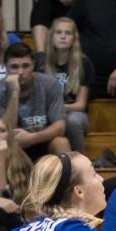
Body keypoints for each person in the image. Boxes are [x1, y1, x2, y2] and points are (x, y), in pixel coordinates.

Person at [0, 43, 70, 161]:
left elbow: (60, 127)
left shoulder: (49, 84)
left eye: (26, 66)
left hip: (42, 140)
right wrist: (14, 94)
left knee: (61, 142)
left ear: (33, 65)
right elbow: (2, 131)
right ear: (6, 67)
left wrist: (32, 138)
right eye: (14, 67)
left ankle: (71, 178)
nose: (20, 72)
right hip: (12, 144)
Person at [39, 17, 94, 152]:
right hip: (45, 112)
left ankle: (81, 161)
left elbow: (81, 105)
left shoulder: (84, 63)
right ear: (51, 36)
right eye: (58, 32)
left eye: (67, 33)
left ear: (74, 38)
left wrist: (58, 109)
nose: (63, 37)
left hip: (72, 112)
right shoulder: (40, 63)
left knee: (72, 121)